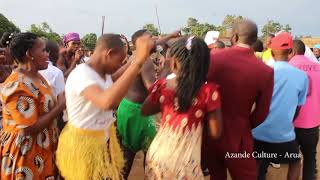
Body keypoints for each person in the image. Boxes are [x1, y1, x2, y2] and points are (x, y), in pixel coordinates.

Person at [55, 33, 155, 180]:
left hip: (101, 142)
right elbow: (107, 102)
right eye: (119, 61)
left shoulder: (100, 73)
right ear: (109, 54)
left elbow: (113, 79)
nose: (120, 65)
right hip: (85, 149)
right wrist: (138, 62)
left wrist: (136, 59)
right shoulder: (82, 74)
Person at [141, 36, 222, 179]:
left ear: (173, 63)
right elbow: (216, 133)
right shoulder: (209, 91)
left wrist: (167, 103)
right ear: (204, 63)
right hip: (186, 163)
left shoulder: (162, 86)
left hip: (158, 156)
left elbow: (145, 110)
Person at [206, 20, 274, 180]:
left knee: (216, 176)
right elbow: (262, 112)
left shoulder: (212, 60)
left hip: (209, 132)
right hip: (239, 137)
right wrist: (244, 125)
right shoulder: (265, 71)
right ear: (254, 39)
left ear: (234, 37)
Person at [0, 32, 66, 179]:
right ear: (30, 54)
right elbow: (27, 129)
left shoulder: (37, 76)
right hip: (26, 154)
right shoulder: (17, 84)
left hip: (43, 148)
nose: (47, 54)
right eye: (43, 50)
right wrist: (60, 107)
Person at [116, 29, 179, 179]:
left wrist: (171, 35)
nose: (155, 39)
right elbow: (153, 88)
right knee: (151, 154)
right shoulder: (146, 61)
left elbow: (158, 43)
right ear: (142, 43)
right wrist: (167, 68)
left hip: (127, 108)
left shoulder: (137, 55)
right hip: (139, 112)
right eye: (151, 37)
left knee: (126, 153)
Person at [253, 33, 307, 180]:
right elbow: (297, 108)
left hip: (258, 132)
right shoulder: (302, 76)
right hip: (284, 134)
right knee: (296, 162)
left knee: (257, 164)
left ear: (270, 51)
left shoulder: (261, 72)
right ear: (290, 52)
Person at [289, 40, 320, 180]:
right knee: (310, 159)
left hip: (291, 124)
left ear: (292, 52)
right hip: (313, 123)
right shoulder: (318, 67)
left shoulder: (287, 67)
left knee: (293, 161)